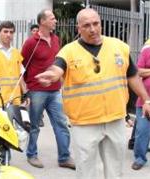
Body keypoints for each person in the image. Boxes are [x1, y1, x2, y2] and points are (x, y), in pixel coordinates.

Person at [35, 8, 150, 179]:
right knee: (86, 171)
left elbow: (132, 75)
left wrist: (146, 100)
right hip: (84, 123)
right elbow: (58, 67)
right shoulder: (69, 51)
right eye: (87, 25)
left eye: (96, 23)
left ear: (101, 24)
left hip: (115, 119)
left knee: (115, 170)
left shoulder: (119, 47)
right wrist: (53, 74)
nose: (93, 29)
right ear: (78, 28)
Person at [21, 9, 74, 169]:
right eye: (52, 18)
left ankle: (64, 157)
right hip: (36, 90)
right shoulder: (31, 42)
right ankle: (31, 154)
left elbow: (59, 62)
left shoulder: (56, 39)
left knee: (61, 124)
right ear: (42, 21)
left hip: (55, 90)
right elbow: (22, 65)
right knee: (35, 125)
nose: (55, 21)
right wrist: (25, 90)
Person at [132, 38, 150, 170]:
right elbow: (137, 71)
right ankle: (139, 158)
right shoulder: (146, 51)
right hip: (145, 100)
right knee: (142, 131)